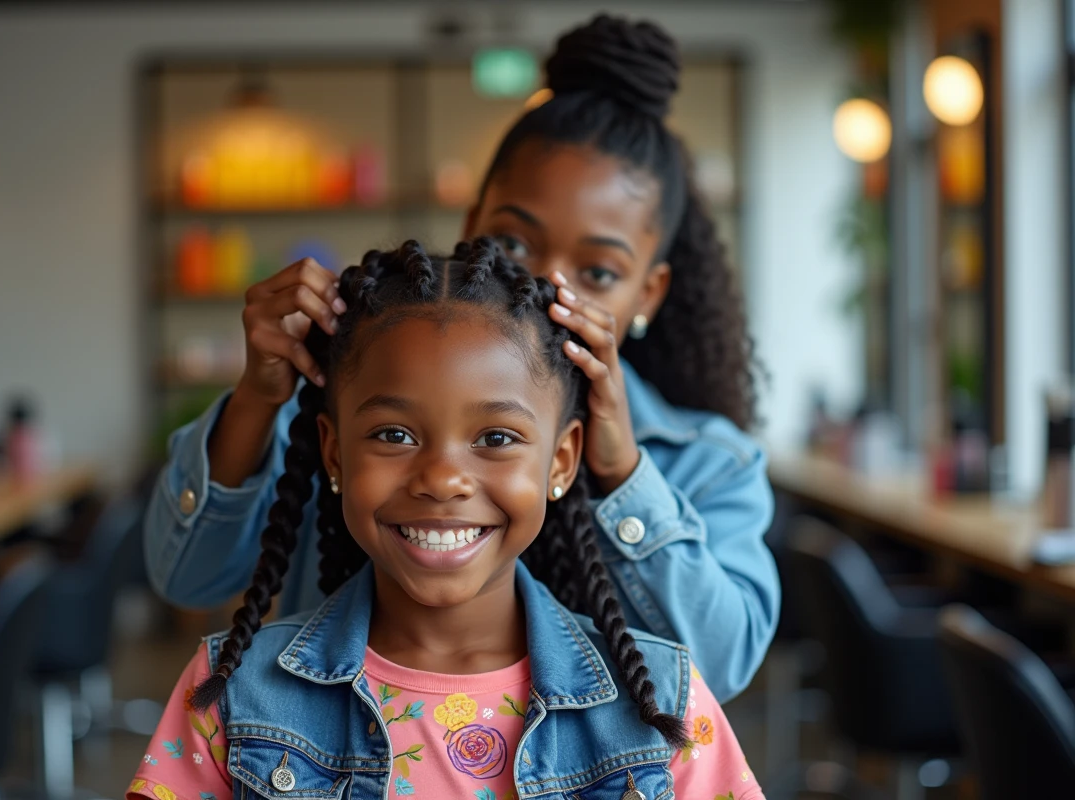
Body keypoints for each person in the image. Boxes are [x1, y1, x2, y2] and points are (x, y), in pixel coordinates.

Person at [145, 15, 778, 701]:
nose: (548, 287)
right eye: (515, 243)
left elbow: (717, 671)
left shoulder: (708, 460)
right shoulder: (347, 414)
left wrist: (622, 473)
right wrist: (258, 398)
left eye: (597, 273)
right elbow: (185, 578)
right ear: (472, 226)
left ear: (649, 292)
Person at [127, 241, 764, 800]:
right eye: (394, 433)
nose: (441, 478)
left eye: (495, 437)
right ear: (332, 452)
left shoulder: (661, 704)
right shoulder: (232, 698)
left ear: (561, 461)